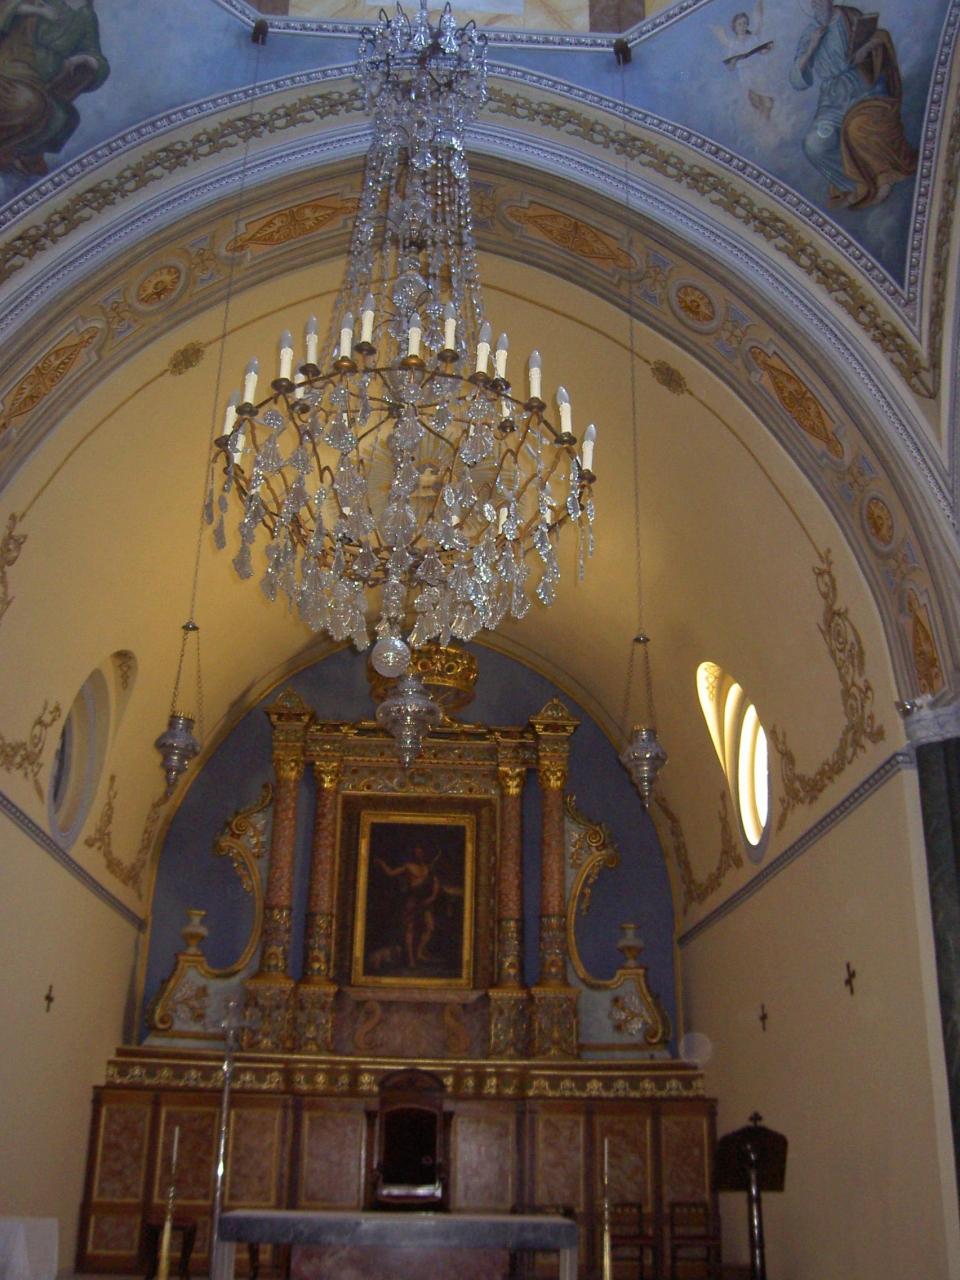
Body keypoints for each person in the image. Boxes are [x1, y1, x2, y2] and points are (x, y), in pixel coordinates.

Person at [789, 0, 916, 208]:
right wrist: (812, 46)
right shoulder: (811, 33)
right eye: (814, 2)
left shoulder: (849, 16)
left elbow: (877, 37)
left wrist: (864, 50)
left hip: (863, 89)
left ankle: (883, 178)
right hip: (832, 101)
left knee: (858, 127)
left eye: (821, 0)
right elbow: (796, 80)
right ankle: (858, 184)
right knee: (814, 145)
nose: (818, 4)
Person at [0, 0, 109, 177]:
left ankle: (17, 153)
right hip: (11, 66)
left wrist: (89, 59)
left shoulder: (85, 16)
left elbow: (95, 54)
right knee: (28, 103)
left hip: (44, 80)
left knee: (64, 117)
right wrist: (35, 10)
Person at [375, 843, 442, 969]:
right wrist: (381, 863)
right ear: (413, 854)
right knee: (410, 929)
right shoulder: (408, 866)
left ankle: (419, 953)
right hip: (412, 901)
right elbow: (390, 873)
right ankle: (411, 960)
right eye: (416, 852)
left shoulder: (428, 868)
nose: (419, 855)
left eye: (421, 852)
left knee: (429, 928)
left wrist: (432, 897)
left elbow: (435, 884)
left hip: (425, 902)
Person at [712, 2, 775, 122]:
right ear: (735, 27)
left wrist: (768, 48)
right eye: (740, 24)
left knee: (768, 103)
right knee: (759, 104)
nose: (742, 26)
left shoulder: (753, 38)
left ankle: (766, 124)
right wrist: (735, 60)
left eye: (745, 23)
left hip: (759, 73)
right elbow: (730, 67)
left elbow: (762, 52)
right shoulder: (733, 44)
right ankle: (763, 125)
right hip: (747, 77)